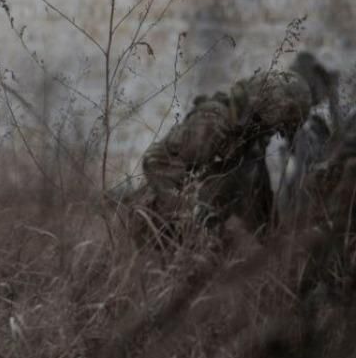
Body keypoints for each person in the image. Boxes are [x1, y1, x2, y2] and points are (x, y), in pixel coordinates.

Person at [137, 55, 325, 238]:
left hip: (197, 234)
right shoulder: (213, 122)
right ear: (269, 110)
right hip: (157, 230)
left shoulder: (251, 142)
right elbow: (156, 163)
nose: (276, 134)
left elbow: (261, 209)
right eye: (278, 126)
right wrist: (192, 218)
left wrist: (278, 246)